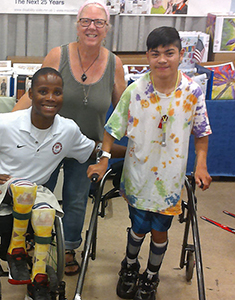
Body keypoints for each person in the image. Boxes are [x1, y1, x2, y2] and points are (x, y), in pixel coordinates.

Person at [87, 26, 212, 300]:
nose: (163, 60)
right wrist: (104, 159)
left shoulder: (192, 92)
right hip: (138, 176)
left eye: (170, 53)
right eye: (156, 54)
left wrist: (201, 165)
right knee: (139, 228)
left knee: (159, 231)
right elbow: (111, 129)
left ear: (181, 55)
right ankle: (130, 266)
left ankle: (151, 276)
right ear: (148, 57)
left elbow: (201, 133)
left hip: (170, 181)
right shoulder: (135, 91)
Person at [0, 68, 101, 300]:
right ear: (30, 94)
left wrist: (133, 149)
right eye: (43, 91)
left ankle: (38, 278)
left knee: (46, 213)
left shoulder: (67, 130)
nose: (50, 98)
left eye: (57, 92)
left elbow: (93, 148)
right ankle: (16, 250)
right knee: (24, 188)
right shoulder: (5, 123)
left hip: (35, 192)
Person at [12, 0, 126, 276]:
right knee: (38, 193)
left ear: (107, 29)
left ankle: (68, 248)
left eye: (99, 22)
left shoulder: (114, 64)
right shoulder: (58, 55)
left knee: (75, 198)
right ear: (77, 25)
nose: (92, 27)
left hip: (86, 147)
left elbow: (125, 110)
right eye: (86, 21)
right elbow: (33, 94)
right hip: (47, 142)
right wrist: (7, 124)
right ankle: (29, 242)